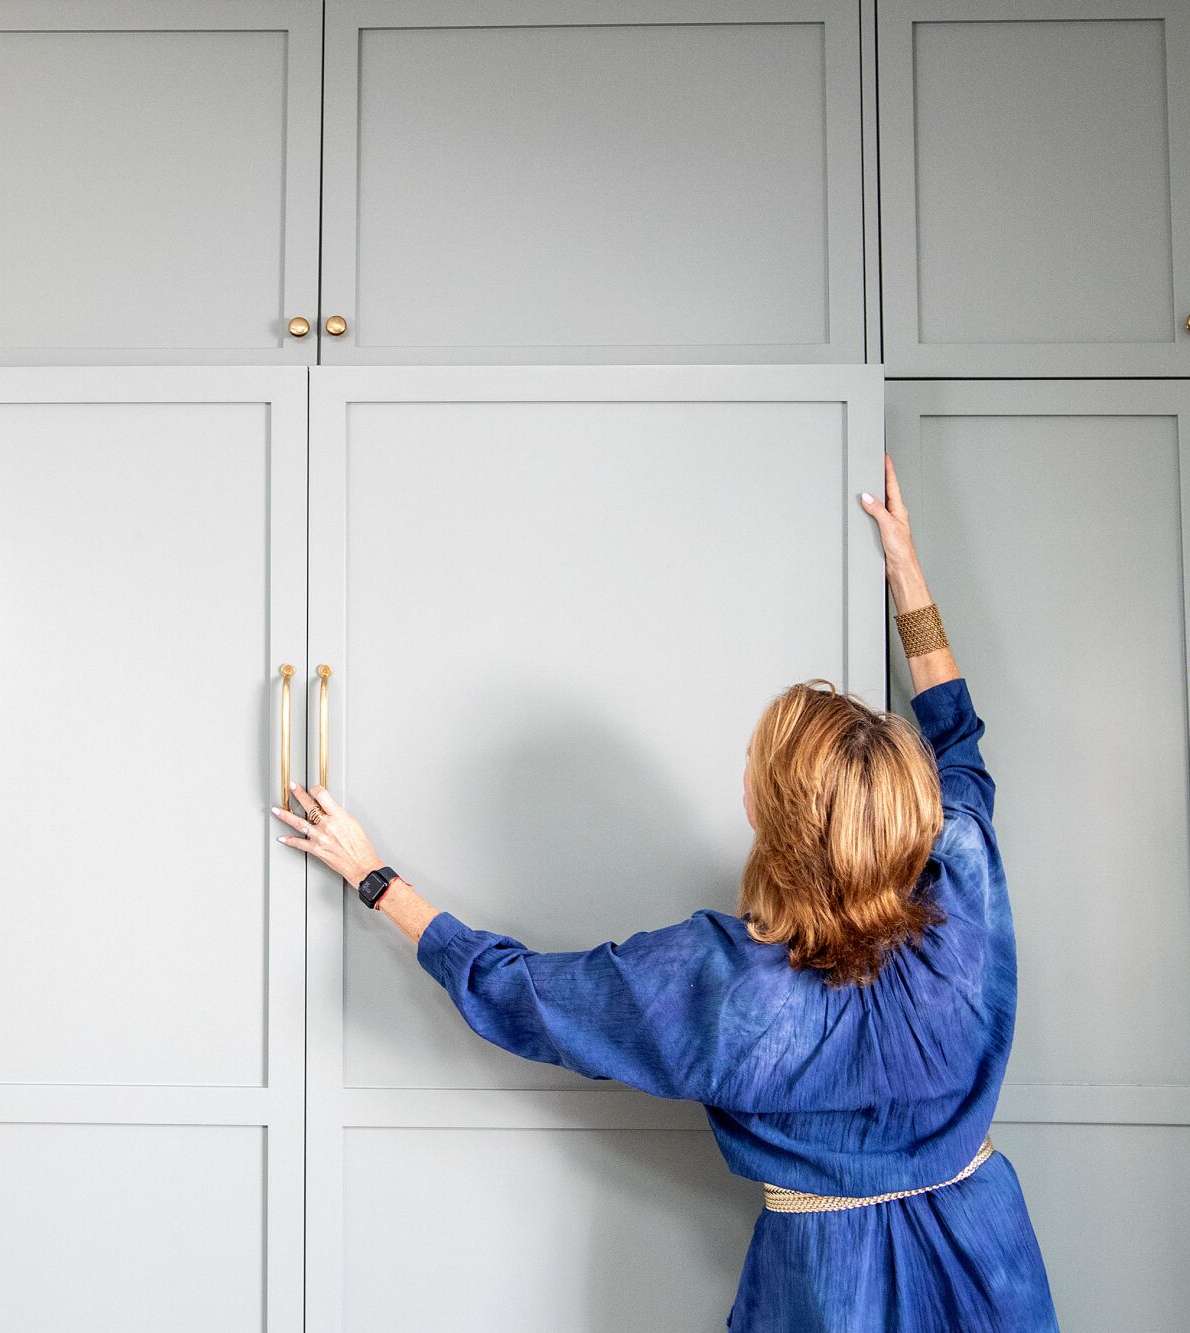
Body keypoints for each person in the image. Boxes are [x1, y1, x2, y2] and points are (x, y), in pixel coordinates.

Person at [271, 456, 1061, 1331]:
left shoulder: (728, 988)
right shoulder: (963, 884)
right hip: (986, 1249)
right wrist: (907, 570)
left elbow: (520, 993)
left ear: (768, 815)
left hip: (828, 1285)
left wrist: (375, 879)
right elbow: (958, 740)